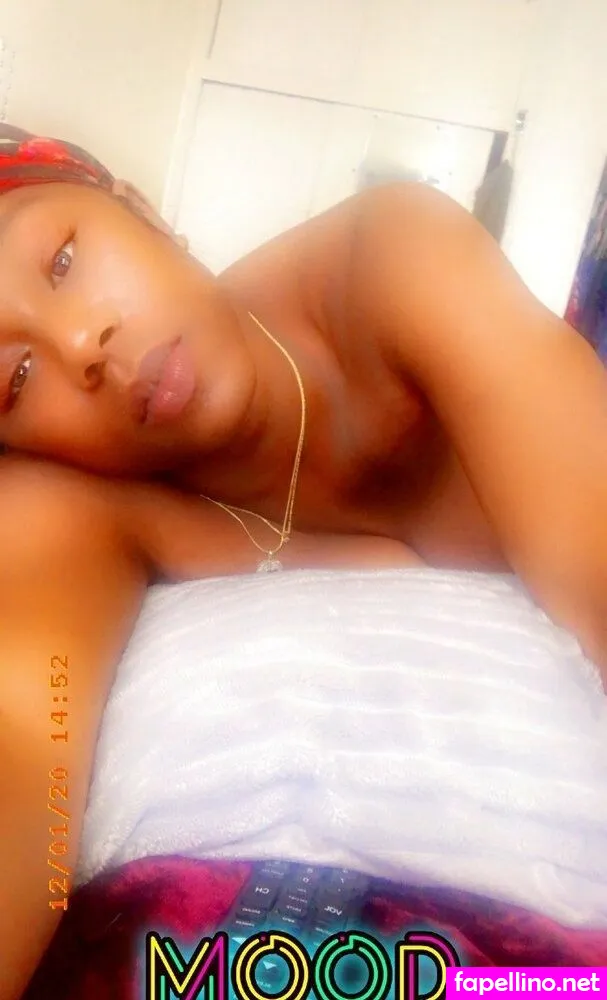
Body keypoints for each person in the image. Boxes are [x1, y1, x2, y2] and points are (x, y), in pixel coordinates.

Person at [1, 122, 606, 997]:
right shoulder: (73, 503)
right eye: (16, 379)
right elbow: (25, 730)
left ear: (138, 209)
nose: (84, 342)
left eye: (62, 261)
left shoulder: (391, 257)